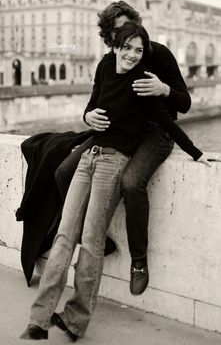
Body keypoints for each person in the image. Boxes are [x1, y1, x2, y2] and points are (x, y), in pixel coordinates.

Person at [21, 22, 210, 342]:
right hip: (88, 158)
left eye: (139, 50)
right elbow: (93, 104)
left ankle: (76, 320)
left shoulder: (142, 82)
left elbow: (167, 121)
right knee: (65, 236)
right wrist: (87, 116)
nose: (132, 54)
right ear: (115, 46)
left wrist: (195, 152)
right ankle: (39, 320)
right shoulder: (106, 67)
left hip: (113, 163)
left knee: (92, 245)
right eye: (126, 47)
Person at [54, 0, 191, 296]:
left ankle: (139, 262)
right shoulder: (108, 61)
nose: (128, 39)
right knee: (64, 171)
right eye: (119, 33)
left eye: (131, 28)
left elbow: (185, 102)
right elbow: (93, 103)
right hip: (121, 132)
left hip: (157, 131)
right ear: (110, 38)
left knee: (131, 182)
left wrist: (164, 89)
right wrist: (88, 116)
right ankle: (100, 243)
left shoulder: (158, 54)